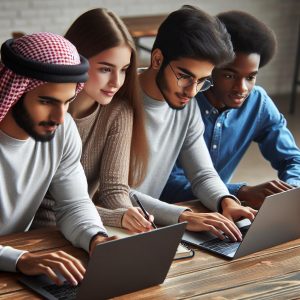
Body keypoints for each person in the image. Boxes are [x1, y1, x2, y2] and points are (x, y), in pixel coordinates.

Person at [128, 5, 257, 242]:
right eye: (185, 76)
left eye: (202, 81)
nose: (192, 91)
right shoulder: (118, 101)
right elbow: (110, 193)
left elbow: (201, 173)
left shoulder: (186, 105)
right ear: (157, 59)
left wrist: (225, 201)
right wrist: (184, 216)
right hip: (106, 227)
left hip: (145, 227)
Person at [0, 32, 113, 285]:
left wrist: (97, 239)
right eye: (46, 101)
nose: (60, 117)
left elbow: (73, 204)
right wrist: (20, 260)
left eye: (67, 102)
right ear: (16, 91)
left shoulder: (63, 130)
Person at [161, 10, 300, 209]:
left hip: (223, 210)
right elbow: (167, 185)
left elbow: (292, 159)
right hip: (169, 214)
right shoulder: (182, 102)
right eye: (229, 76)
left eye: (250, 77)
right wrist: (239, 191)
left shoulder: (257, 102)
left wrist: (291, 191)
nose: (242, 88)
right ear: (210, 70)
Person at [32, 8, 153, 233]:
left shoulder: (119, 111)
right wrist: (116, 218)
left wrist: (130, 215)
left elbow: (114, 190)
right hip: (38, 233)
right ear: (77, 60)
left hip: (83, 228)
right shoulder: (45, 113)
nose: (116, 82)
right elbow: (52, 206)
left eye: (124, 70)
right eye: (106, 69)